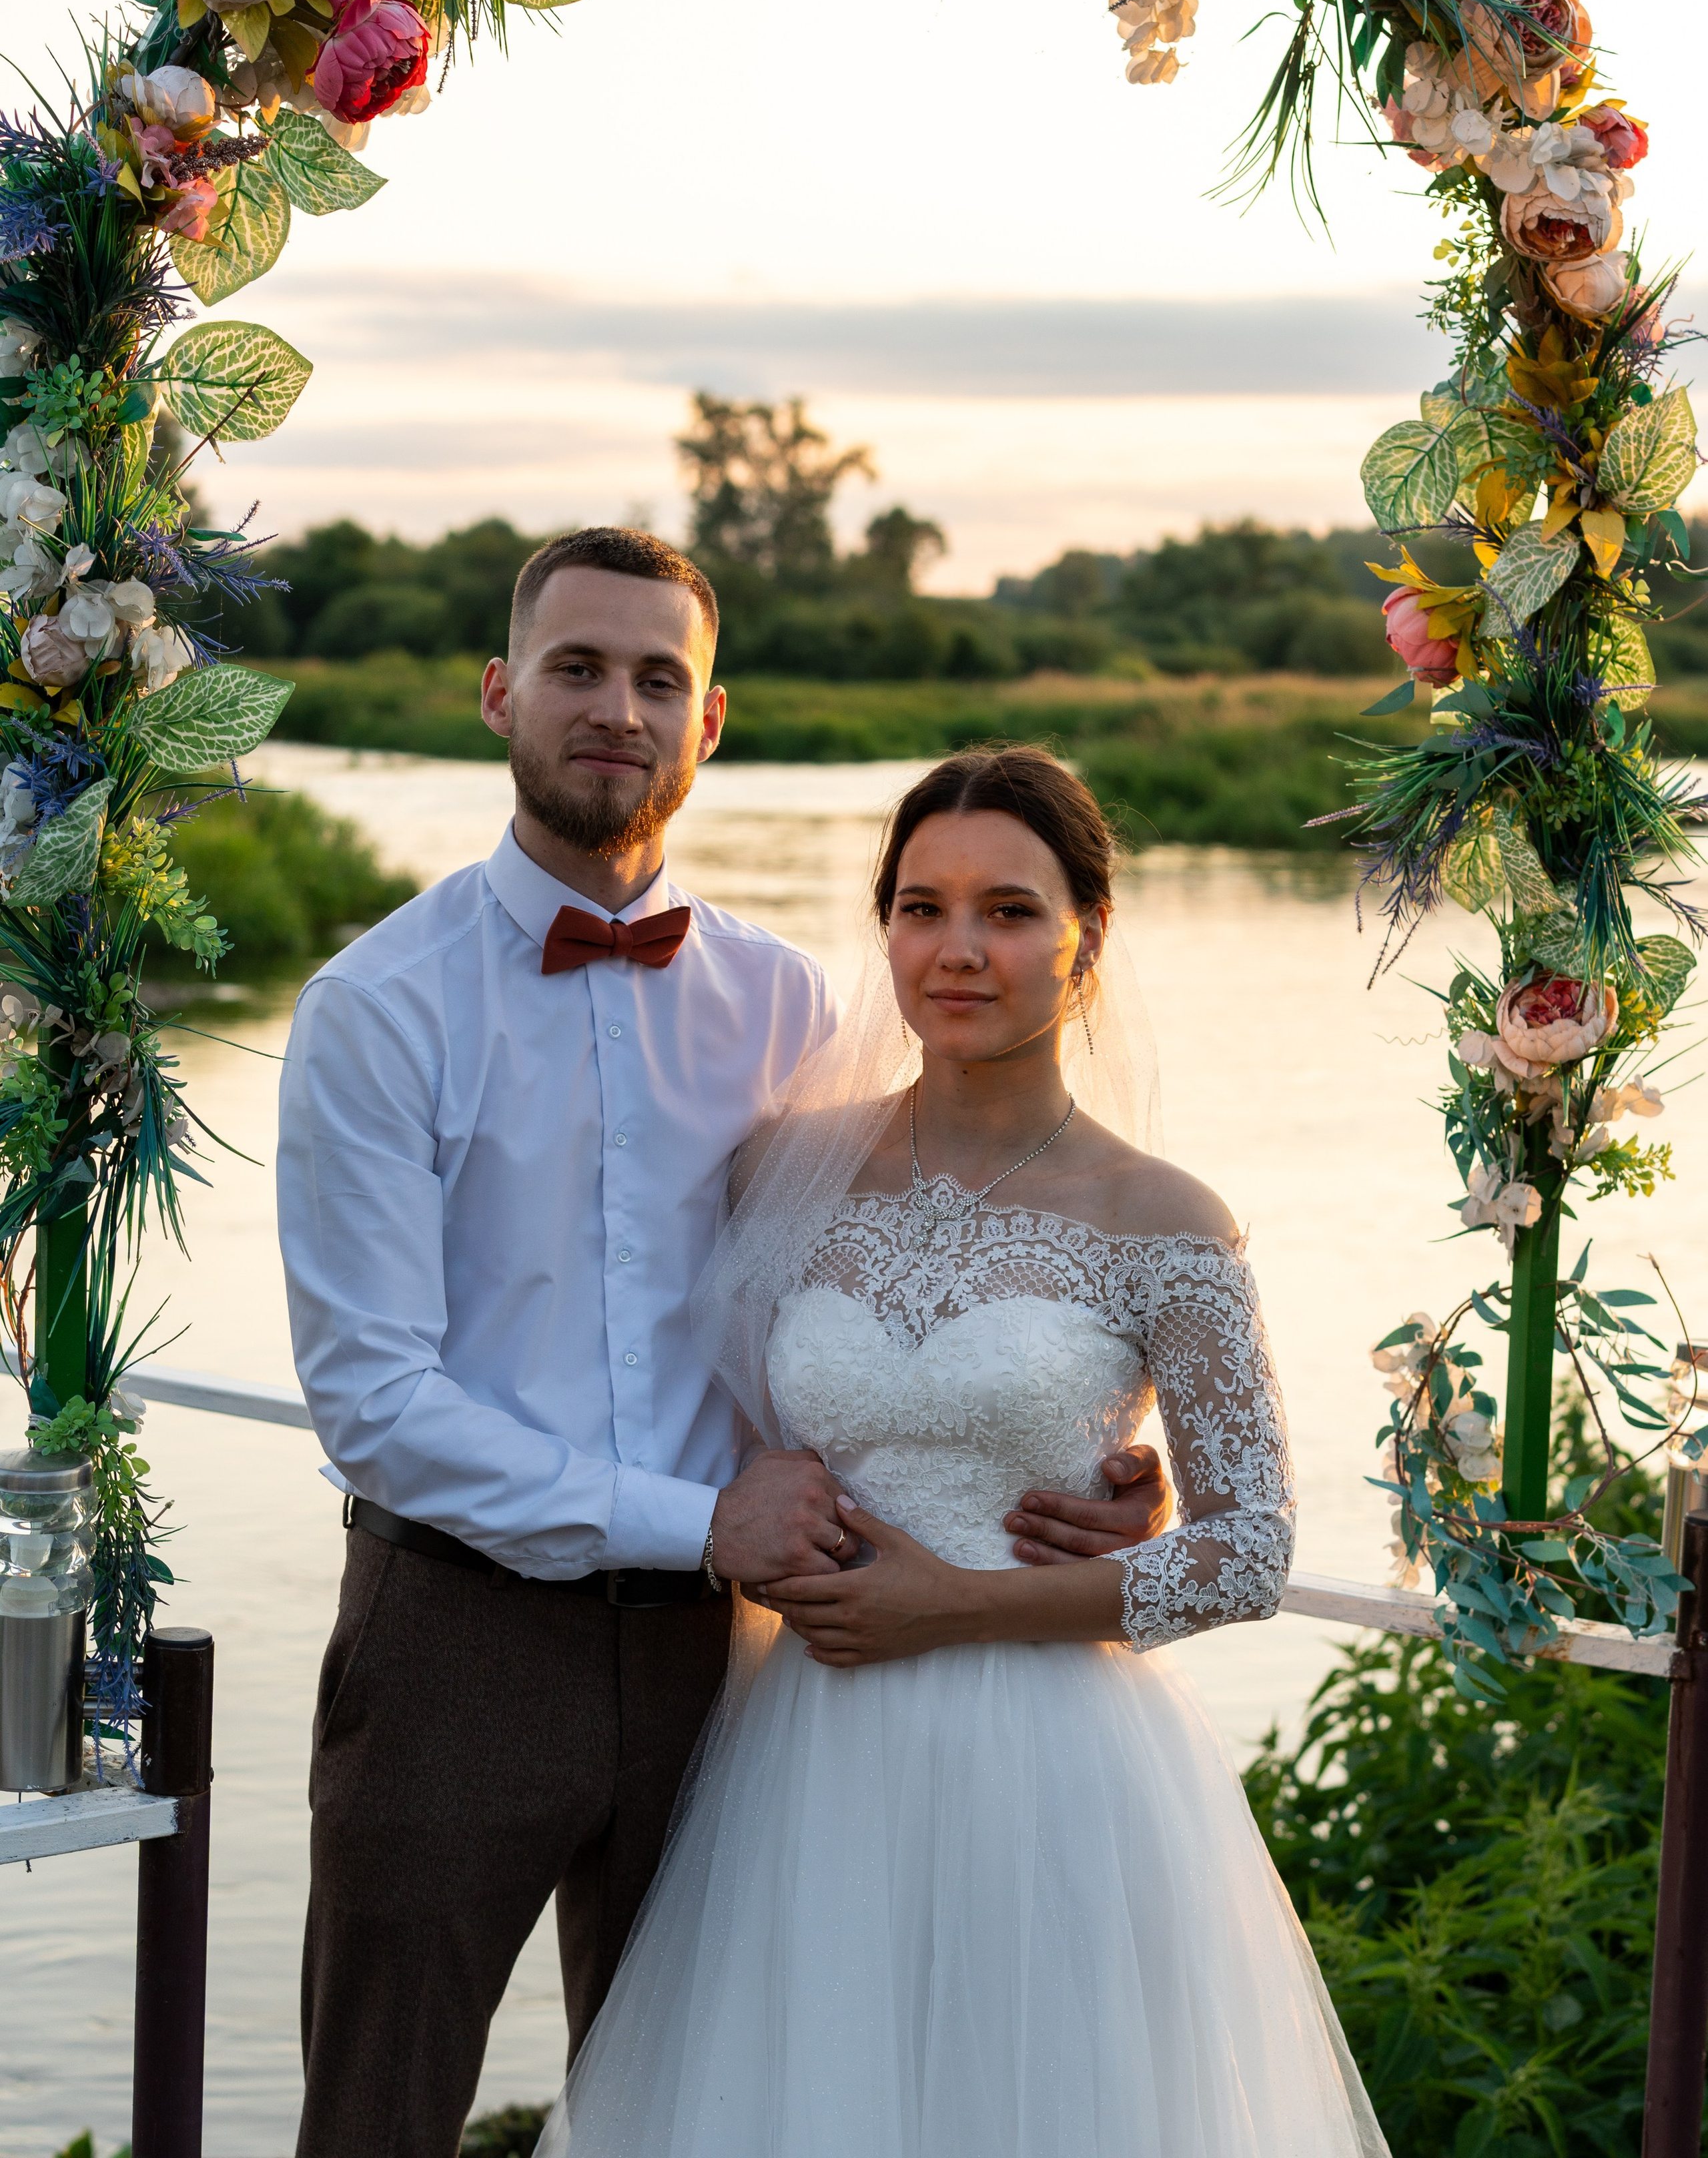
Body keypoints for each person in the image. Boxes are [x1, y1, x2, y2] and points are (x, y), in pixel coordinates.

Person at [276, 532, 1170, 2158]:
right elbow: (375, 1405)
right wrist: (701, 1520)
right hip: (456, 1646)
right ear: (498, 694)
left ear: (710, 722)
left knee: (706, 2117)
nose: (615, 709)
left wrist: (1077, 1462)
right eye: (576, 667)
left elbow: (878, 1300)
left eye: (656, 678)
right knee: (376, 2119)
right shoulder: (377, 1005)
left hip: (735, 1669)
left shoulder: (786, 1001)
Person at [534, 745, 1389, 2158]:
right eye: (921, 908)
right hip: (804, 1758)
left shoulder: (1167, 1219)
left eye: (1008, 911)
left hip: (1052, 1767)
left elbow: (1250, 1554)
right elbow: (693, 1415)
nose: (958, 950)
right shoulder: (778, 1169)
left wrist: (965, 1601)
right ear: (882, 930)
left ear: (1086, 938)